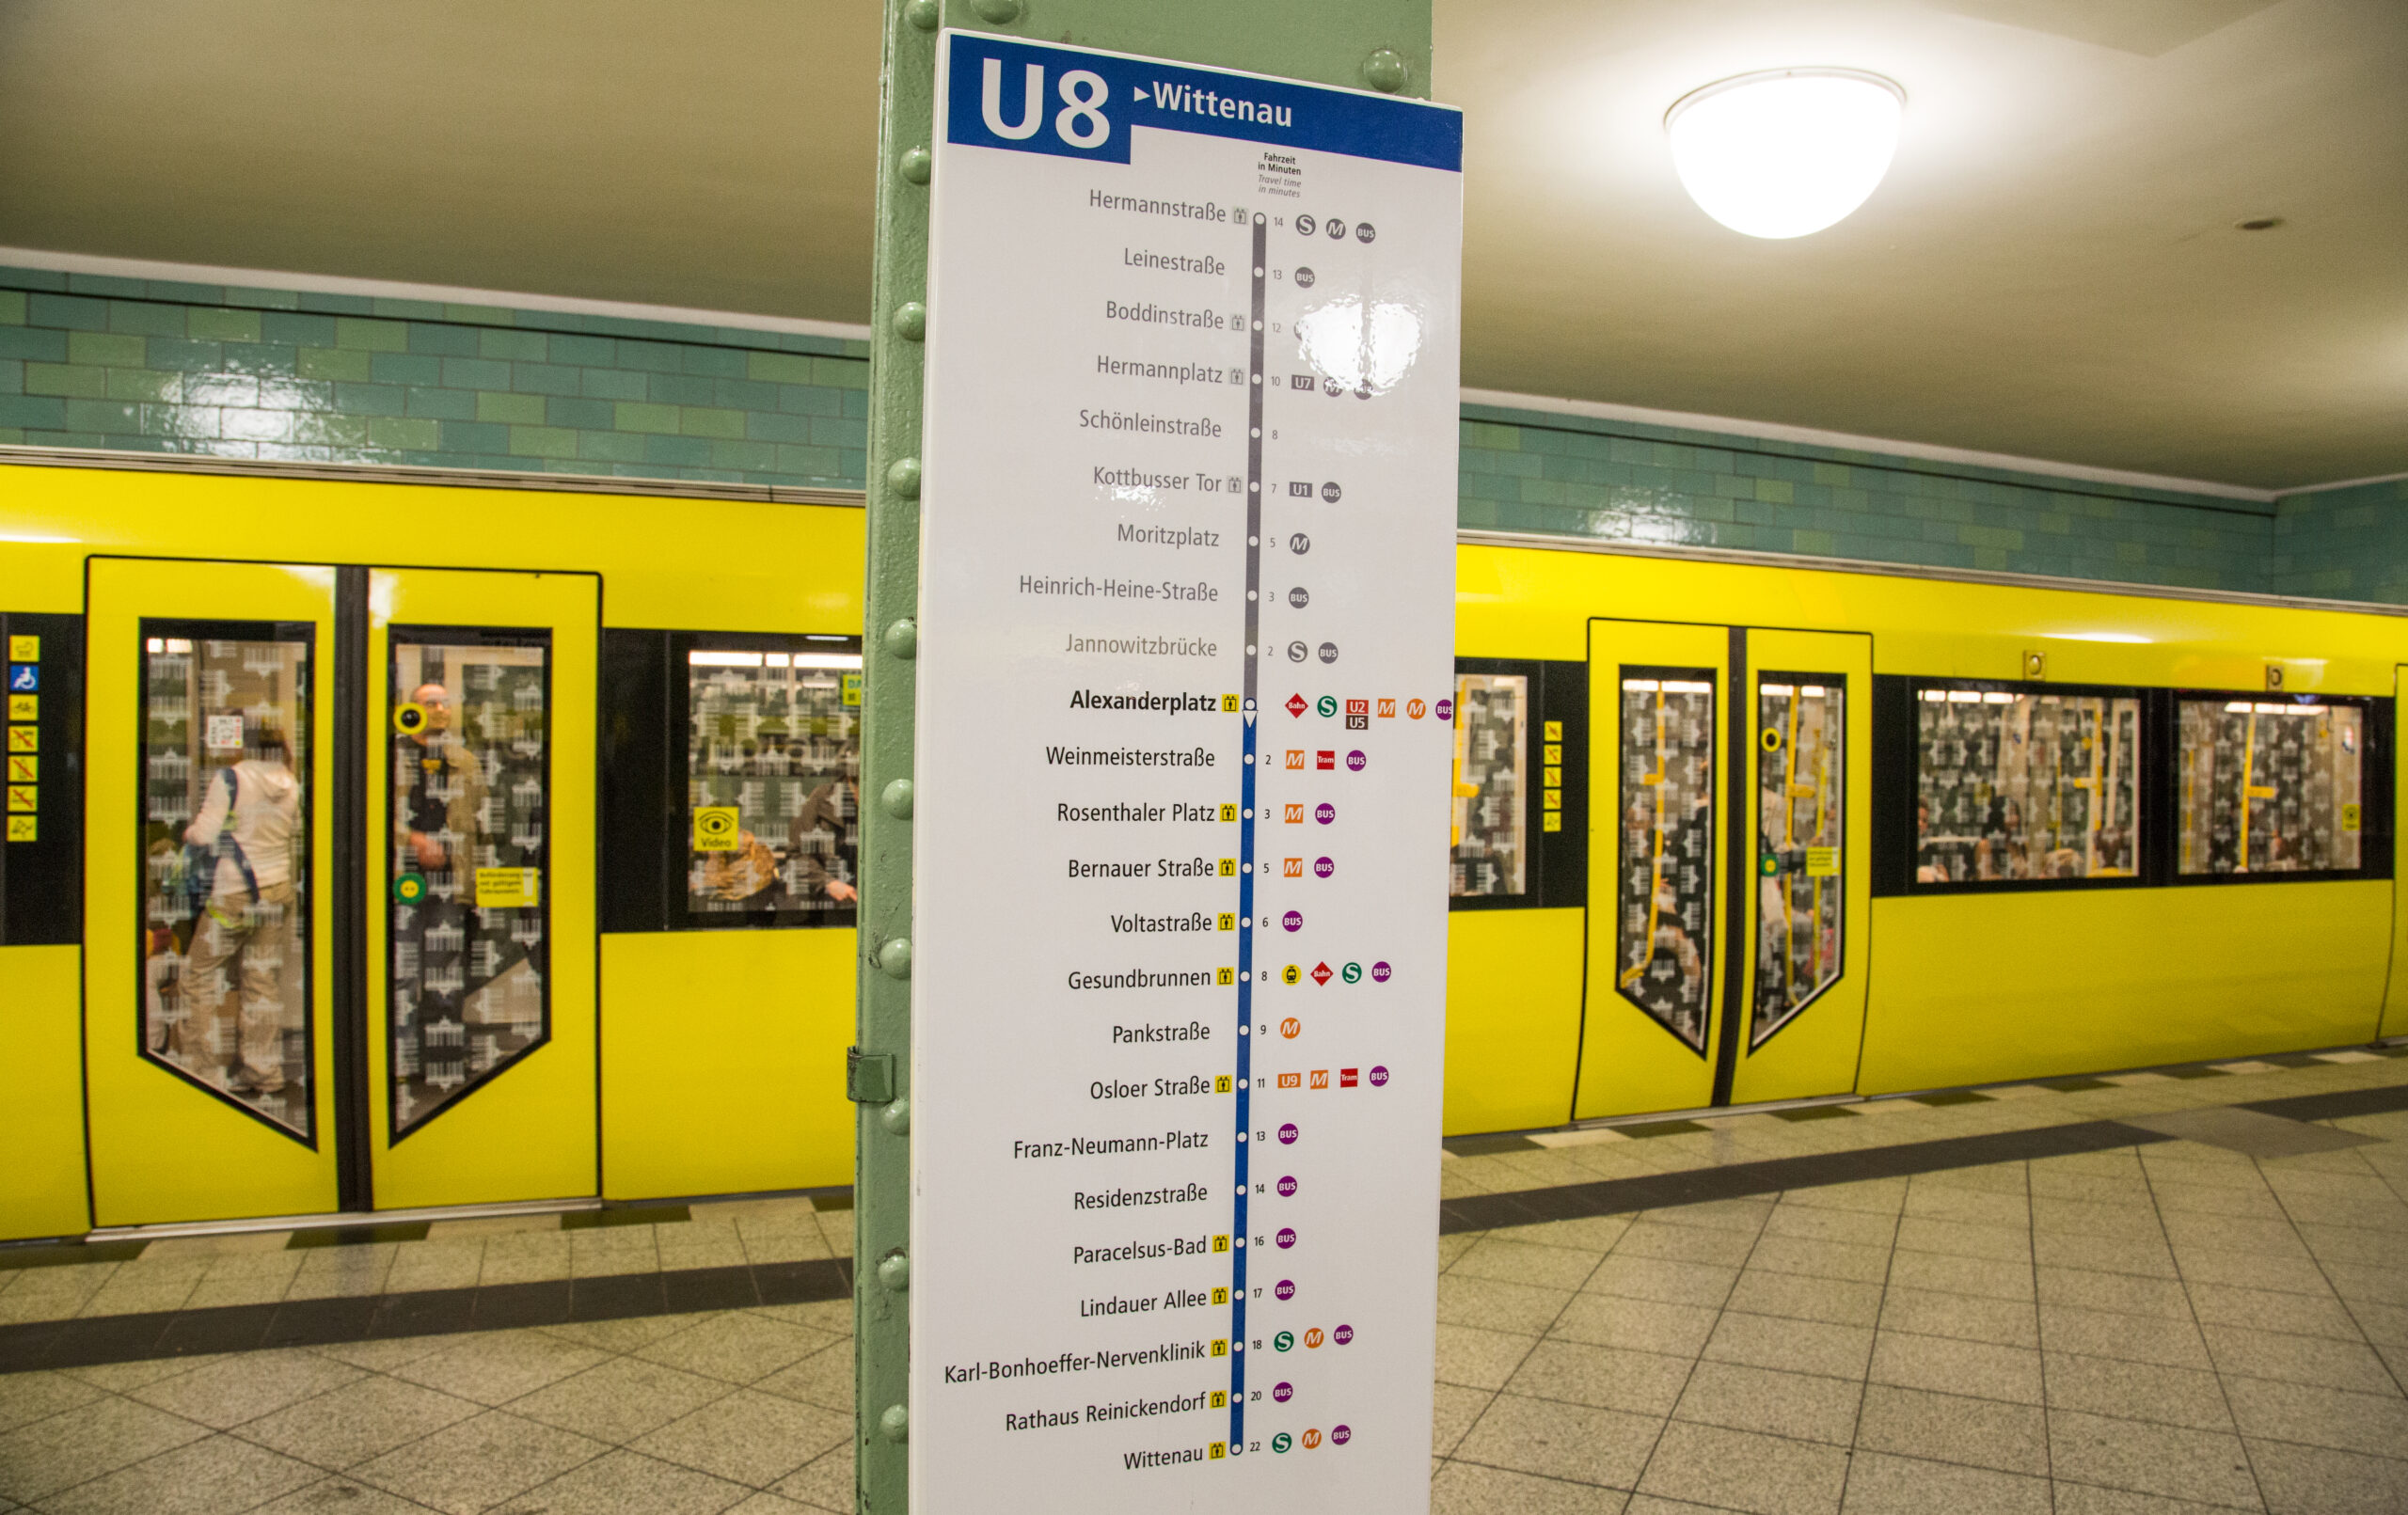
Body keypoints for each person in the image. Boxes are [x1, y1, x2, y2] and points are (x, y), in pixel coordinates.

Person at [181, 719, 301, 1098]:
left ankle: (203, 1072)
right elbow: (293, 830)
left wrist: (187, 834)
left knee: (198, 976)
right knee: (260, 982)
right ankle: (263, 1072)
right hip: (276, 891)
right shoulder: (289, 781)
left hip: (233, 894)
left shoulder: (231, 778)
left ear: (244, 744)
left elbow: (204, 834)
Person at [789, 771, 861, 907]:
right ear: (851, 782)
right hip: (819, 904)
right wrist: (828, 882)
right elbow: (797, 855)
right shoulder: (820, 800)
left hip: (856, 902)